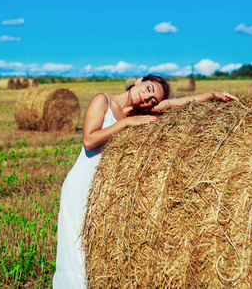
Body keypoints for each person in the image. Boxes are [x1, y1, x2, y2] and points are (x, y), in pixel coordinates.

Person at [53, 75, 238, 288]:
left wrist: (212, 95)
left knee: (94, 252)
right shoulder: (102, 101)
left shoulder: (141, 112)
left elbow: (176, 103)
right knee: (77, 255)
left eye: (152, 100)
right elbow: (88, 140)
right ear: (139, 80)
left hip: (103, 190)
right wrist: (125, 123)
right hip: (80, 187)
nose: (147, 97)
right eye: (149, 88)